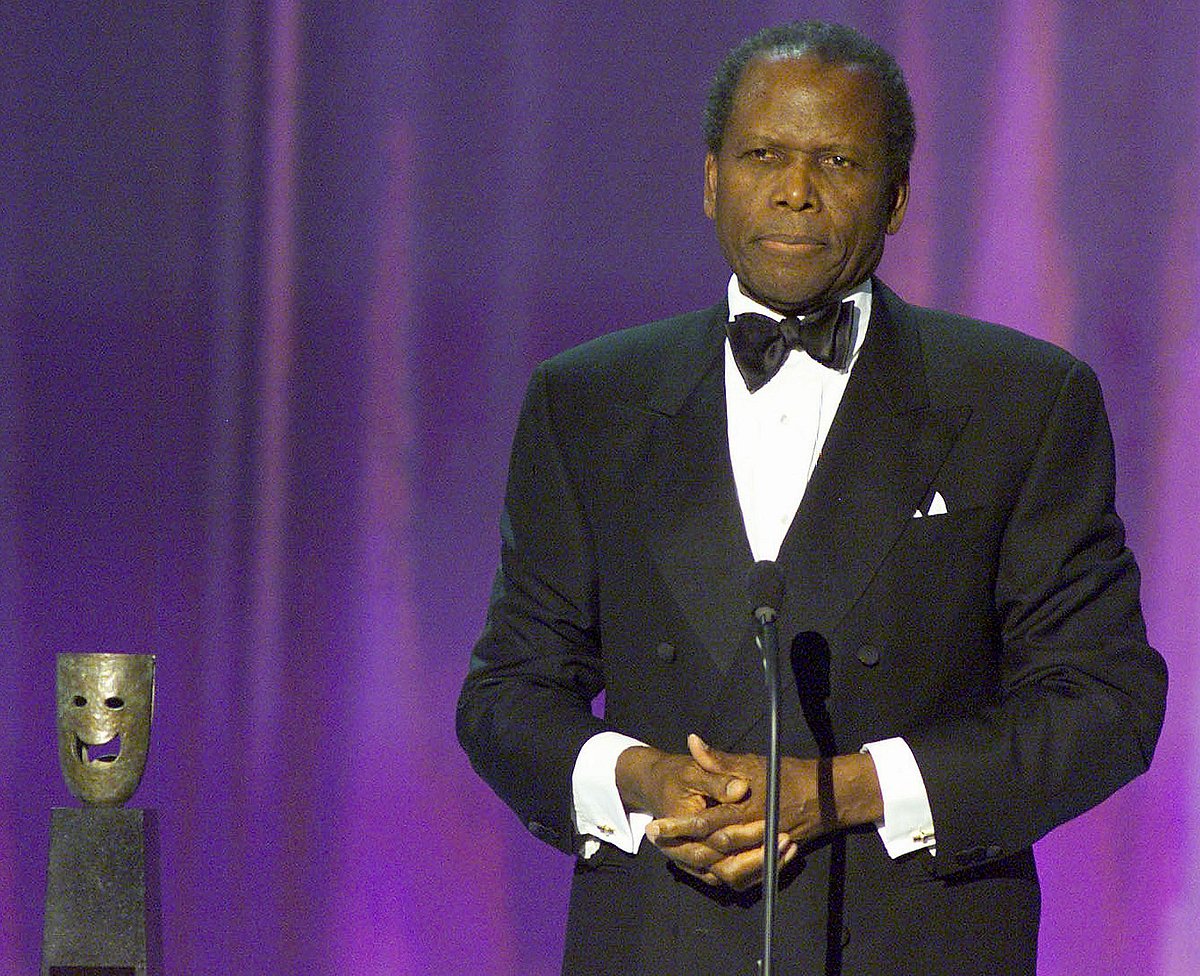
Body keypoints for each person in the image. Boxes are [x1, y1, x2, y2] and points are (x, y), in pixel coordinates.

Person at [456, 19, 1167, 976]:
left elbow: (1105, 703)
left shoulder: (1022, 401)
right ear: (712, 179)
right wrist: (642, 777)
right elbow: (507, 695)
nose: (795, 190)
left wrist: (841, 791)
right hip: (661, 941)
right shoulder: (589, 402)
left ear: (898, 194)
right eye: (763, 156)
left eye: (838, 159)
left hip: (910, 941)